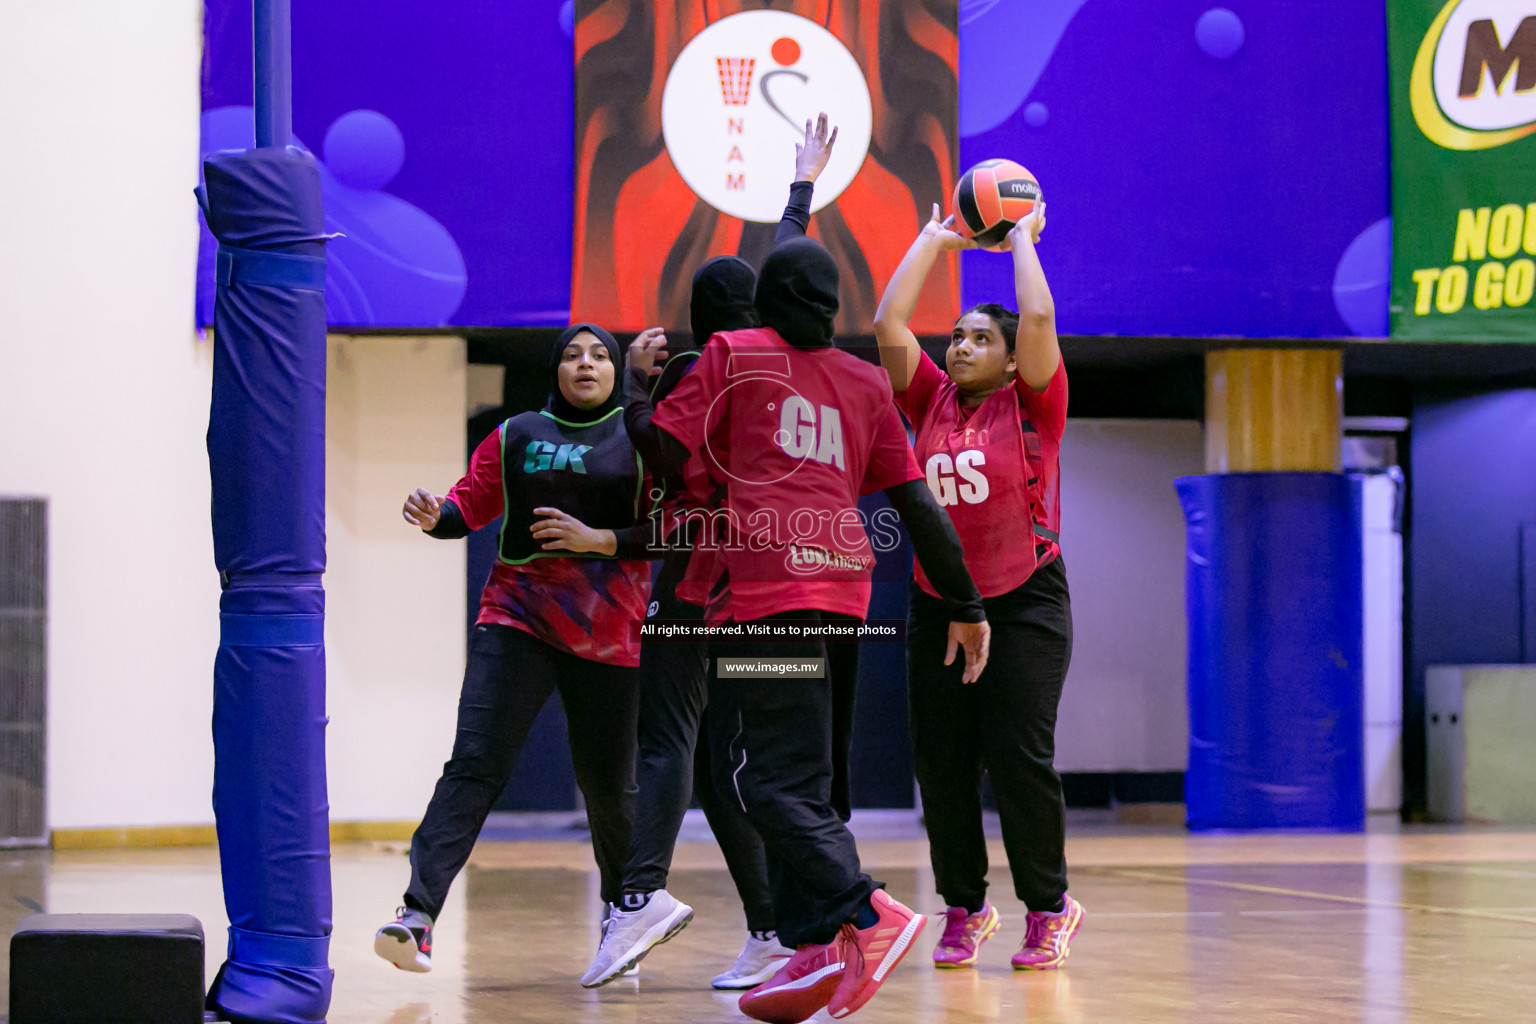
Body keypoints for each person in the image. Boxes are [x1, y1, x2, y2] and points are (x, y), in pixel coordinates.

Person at [629, 235, 992, 1023]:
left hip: (768, 601)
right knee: (809, 775)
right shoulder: (865, 381)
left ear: (768, 301)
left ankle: (867, 916)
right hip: (844, 601)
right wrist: (967, 605)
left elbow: (663, 455)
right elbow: (916, 506)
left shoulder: (732, 351)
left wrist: (637, 393)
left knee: (766, 779)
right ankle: (814, 943)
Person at [580, 115, 840, 991]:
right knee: (733, 770)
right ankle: (772, 927)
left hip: (696, 586)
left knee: (665, 747)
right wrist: (799, 191)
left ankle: (642, 895)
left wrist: (639, 391)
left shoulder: (708, 372)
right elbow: (783, 271)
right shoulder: (784, 364)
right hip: (772, 590)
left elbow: (664, 457)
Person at [373, 324, 652, 973]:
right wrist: (433, 513)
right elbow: (465, 511)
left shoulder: (642, 439)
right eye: (573, 354)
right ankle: (417, 915)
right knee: (474, 764)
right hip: (517, 618)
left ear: (617, 370)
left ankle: (625, 917)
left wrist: (599, 539)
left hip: (609, 634)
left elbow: (670, 531)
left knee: (611, 788)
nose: (586, 363)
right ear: (555, 368)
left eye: (600, 355)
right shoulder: (518, 434)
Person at [872, 199, 1084, 970]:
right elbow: (889, 325)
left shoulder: (1032, 400)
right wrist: (932, 239)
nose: (961, 345)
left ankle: (1050, 908)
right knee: (943, 764)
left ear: (1006, 355)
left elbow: (1039, 314)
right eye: (957, 336)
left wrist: (1021, 237)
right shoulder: (926, 399)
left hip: (1025, 601)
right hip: (939, 604)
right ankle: (964, 906)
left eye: (978, 338)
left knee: (1018, 758)